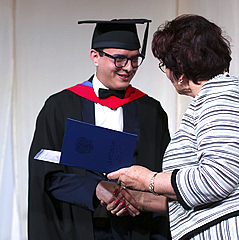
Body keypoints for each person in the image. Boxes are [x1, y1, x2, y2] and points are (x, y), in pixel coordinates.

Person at [107, 14, 239, 240]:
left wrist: (148, 179)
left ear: (179, 69)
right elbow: (204, 192)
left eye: (164, 65)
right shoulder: (216, 97)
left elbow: (216, 179)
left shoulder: (221, 96)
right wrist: (139, 199)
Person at [28, 18, 171, 240]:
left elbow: (162, 175)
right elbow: (46, 176)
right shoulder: (60, 107)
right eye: (120, 59)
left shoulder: (151, 112)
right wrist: (94, 188)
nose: (129, 68)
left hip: (136, 230)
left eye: (135, 59)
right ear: (95, 56)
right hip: (79, 227)